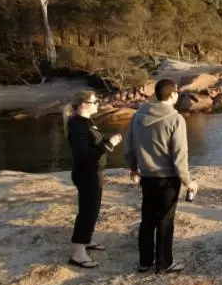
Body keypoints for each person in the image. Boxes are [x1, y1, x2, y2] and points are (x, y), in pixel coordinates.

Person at [123, 79, 198, 274]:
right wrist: (189, 182)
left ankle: (144, 262)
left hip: (146, 175)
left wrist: (133, 168)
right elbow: (180, 157)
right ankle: (164, 263)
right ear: (173, 94)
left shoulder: (138, 115)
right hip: (168, 178)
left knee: (147, 219)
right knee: (165, 221)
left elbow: (129, 147)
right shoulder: (176, 119)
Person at [63, 91, 122, 269]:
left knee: (92, 208)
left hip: (93, 172)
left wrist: (107, 141)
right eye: (95, 101)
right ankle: (78, 253)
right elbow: (84, 155)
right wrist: (108, 145)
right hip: (87, 173)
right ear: (83, 105)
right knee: (88, 211)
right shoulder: (78, 125)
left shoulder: (85, 122)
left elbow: (91, 145)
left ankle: (86, 239)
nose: (98, 103)